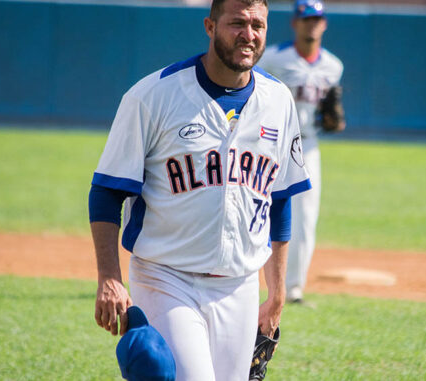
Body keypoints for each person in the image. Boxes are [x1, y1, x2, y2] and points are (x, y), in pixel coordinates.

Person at [88, 0, 311, 379]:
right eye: (237, 23)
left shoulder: (278, 101)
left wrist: (276, 294)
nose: (249, 34)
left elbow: (280, 201)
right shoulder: (153, 96)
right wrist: (109, 277)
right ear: (210, 26)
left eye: (258, 24)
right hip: (166, 277)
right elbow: (106, 193)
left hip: (239, 284)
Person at [258, 0, 344, 304]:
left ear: (324, 24)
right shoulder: (272, 58)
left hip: (306, 145)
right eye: (306, 19)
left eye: (317, 19)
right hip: (267, 140)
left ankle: (293, 289)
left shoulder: (333, 67)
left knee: (305, 216)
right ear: (295, 23)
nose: (312, 24)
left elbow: (329, 111)